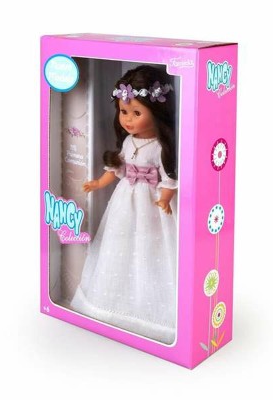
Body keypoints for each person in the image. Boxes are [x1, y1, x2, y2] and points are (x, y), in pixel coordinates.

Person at [70, 65, 178, 344]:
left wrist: (165, 199)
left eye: (136, 113)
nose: (128, 119)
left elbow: (169, 179)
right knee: (118, 244)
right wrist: (97, 183)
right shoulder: (129, 142)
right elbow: (117, 169)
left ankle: (152, 315)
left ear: (158, 111)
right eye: (123, 112)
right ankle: (108, 306)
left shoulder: (159, 147)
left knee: (150, 250)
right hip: (124, 203)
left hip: (151, 206)